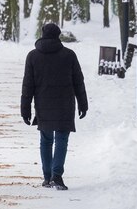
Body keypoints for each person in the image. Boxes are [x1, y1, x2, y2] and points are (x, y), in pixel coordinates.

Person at [21, 22, 88, 190]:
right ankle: (56, 175)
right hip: (65, 103)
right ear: (58, 35)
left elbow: (28, 85)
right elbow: (78, 81)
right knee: (62, 139)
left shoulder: (33, 56)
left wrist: (25, 108)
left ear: (42, 35)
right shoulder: (69, 55)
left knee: (46, 140)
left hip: (43, 104)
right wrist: (83, 103)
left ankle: (46, 176)